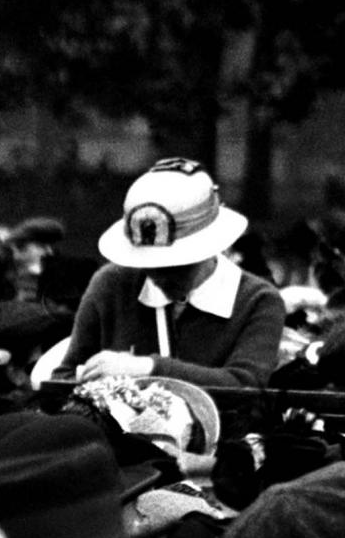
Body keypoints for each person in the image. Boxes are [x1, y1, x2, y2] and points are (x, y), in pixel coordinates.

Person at [64, 159, 287, 389]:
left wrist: (148, 369)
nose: (160, 277)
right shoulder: (111, 284)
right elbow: (63, 377)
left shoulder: (258, 300)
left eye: (178, 266)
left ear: (209, 246)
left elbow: (245, 386)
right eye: (148, 264)